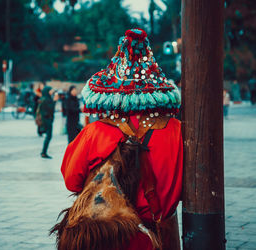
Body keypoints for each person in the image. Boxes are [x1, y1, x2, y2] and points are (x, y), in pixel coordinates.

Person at [52, 28, 182, 250]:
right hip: (155, 236)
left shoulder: (95, 132)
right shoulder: (176, 130)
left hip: (106, 236)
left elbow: (71, 181)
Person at [38, 86, 58, 159]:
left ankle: (44, 152)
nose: (52, 92)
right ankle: (44, 152)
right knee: (49, 136)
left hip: (47, 119)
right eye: (50, 91)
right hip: (47, 120)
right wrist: (55, 101)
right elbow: (50, 109)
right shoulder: (46, 100)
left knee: (48, 136)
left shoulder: (45, 99)